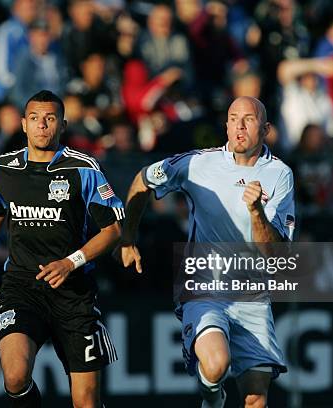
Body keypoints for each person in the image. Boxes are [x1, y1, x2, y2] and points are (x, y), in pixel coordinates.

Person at [0, 90, 123, 407]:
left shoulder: (83, 169)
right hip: (22, 286)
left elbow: (112, 230)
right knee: (14, 376)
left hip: (74, 292)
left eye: (50, 118)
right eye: (34, 118)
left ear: (63, 125)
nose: (42, 125)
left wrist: (71, 263)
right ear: (23, 125)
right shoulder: (3, 168)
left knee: (86, 401)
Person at [118, 96, 294, 407]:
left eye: (249, 119)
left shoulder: (280, 175)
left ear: (265, 129)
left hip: (252, 294)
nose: (239, 125)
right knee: (216, 365)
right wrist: (128, 238)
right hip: (204, 287)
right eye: (233, 118)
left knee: (256, 399)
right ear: (225, 125)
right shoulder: (198, 163)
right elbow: (142, 181)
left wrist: (256, 212)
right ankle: (212, 397)